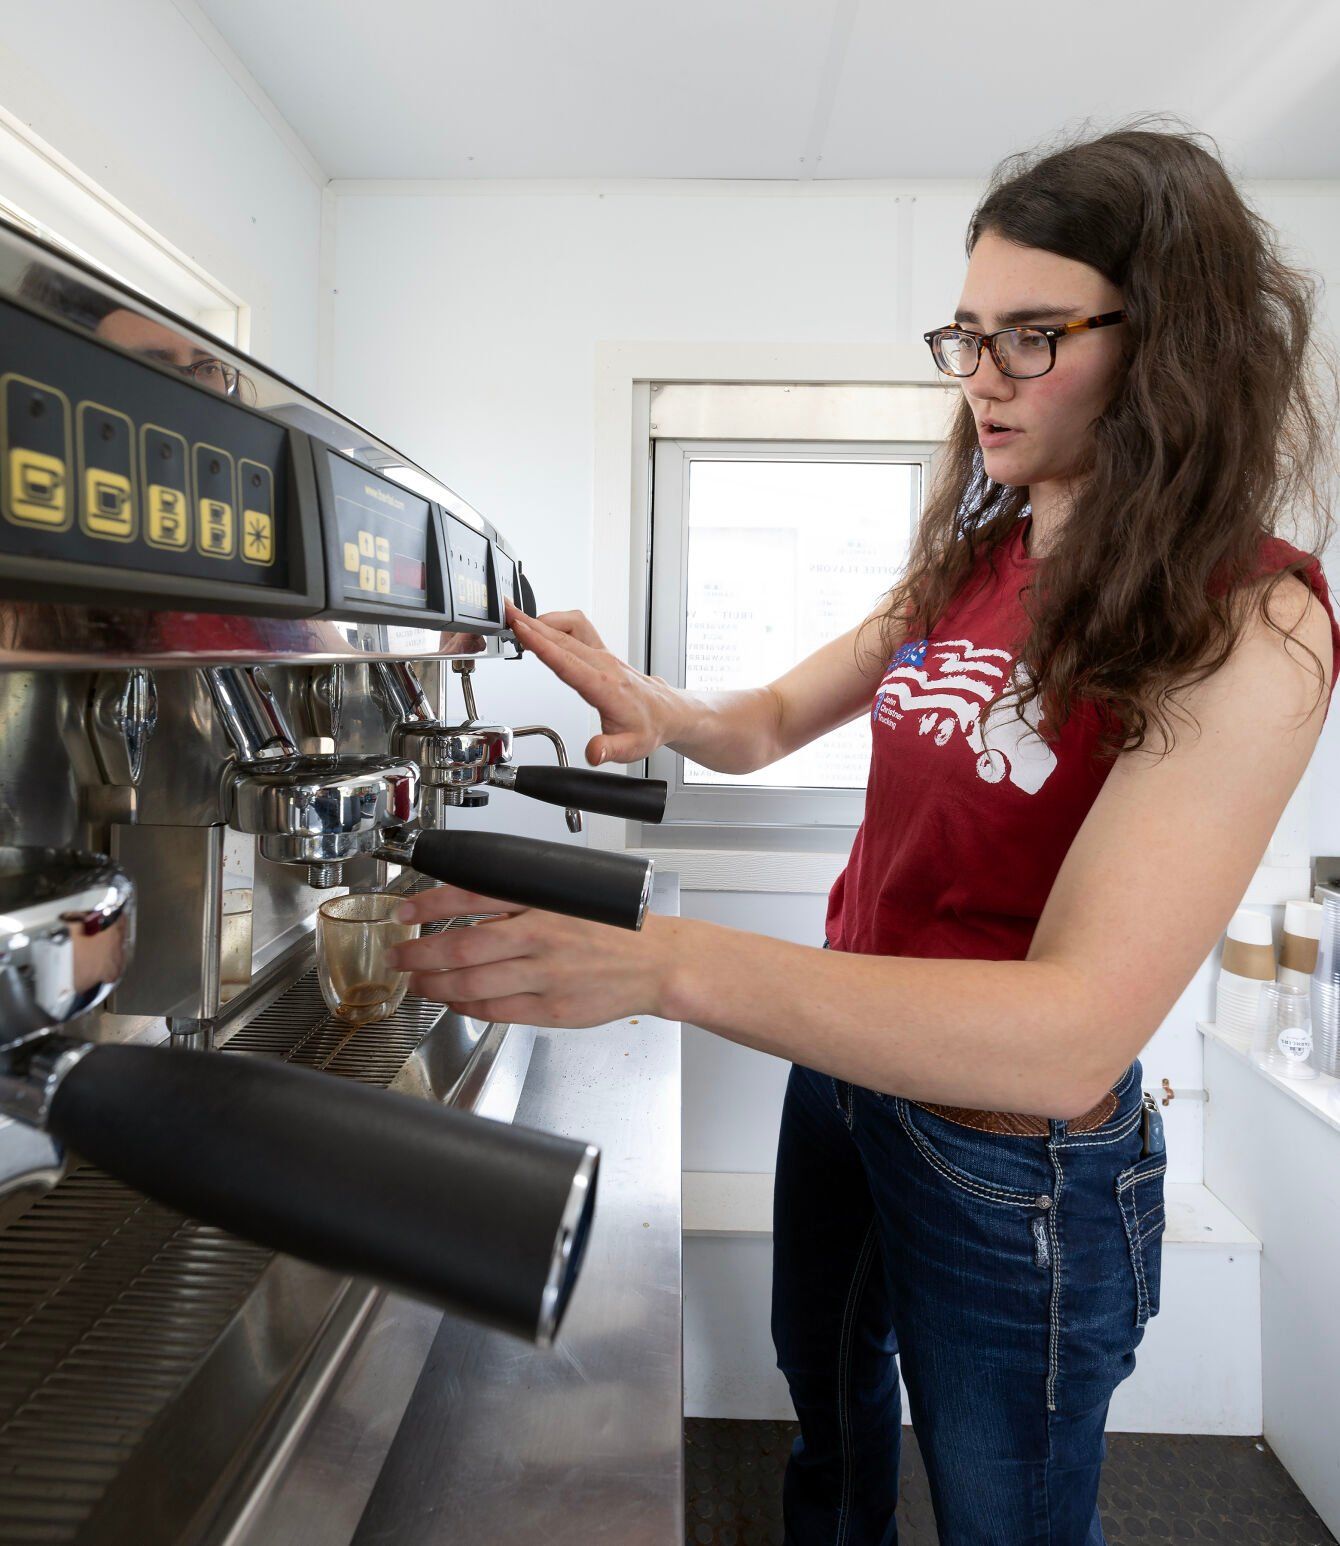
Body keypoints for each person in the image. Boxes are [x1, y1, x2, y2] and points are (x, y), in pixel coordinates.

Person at [388, 121, 1340, 1543]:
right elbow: (767, 719)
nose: (981, 377)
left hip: (1012, 1158)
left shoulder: (1252, 619)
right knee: (827, 1408)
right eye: (966, 334)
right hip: (845, 1076)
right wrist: (647, 703)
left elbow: (1073, 1028)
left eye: (1033, 336)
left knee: (1000, 1504)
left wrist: (662, 963)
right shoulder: (981, 556)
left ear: (1174, 346)